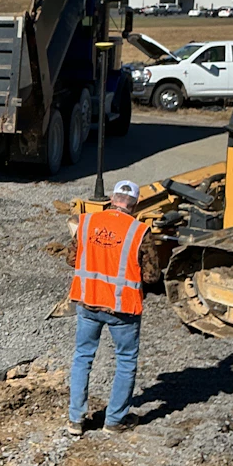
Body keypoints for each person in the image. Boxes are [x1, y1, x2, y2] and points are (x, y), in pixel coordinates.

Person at [66, 179, 160, 436]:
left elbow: (71, 258)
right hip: (122, 309)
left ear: (111, 198)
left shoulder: (86, 223)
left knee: (83, 357)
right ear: (136, 204)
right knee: (126, 361)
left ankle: (75, 419)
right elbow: (152, 276)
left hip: (88, 302)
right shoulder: (140, 231)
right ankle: (114, 421)